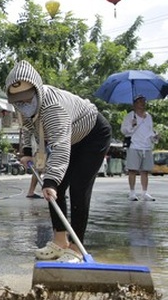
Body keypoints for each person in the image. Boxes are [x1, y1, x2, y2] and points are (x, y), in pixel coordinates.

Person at [6, 60, 111, 263]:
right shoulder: (23, 107)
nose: (24, 105)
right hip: (71, 137)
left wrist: (50, 181)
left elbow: (60, 146)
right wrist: (27, 151)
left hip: (92, 136)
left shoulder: (53, 108)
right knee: (57, 191)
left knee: (78, 188)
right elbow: (28, 127)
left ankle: (76, 248)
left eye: (27, 100)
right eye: (18, 102)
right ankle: (59, 241)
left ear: (37, 91)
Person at [121, 94, 158, 201]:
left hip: (146, 146)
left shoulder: (149, 116)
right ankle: (132, 193)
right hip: (134, 145)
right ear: (134, 104)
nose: (143, 103)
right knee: (132, 170)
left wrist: (155, 137)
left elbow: (150, 132)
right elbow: (123, 131)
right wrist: (132, 125)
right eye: (140, 101)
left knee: (145, 171)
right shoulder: (130, 116)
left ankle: (145, 193)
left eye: (144, 101)